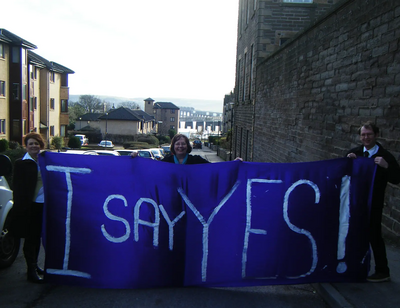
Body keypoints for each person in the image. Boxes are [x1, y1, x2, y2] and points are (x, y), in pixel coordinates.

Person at [346, 122, 400, 282]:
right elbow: (343, 175)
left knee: (374, 235)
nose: (366, 137)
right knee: (353, 233)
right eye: (363, 135)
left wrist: (386, 166)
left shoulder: (385, 156)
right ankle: (354, 266)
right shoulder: (355, 153)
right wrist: (348, 161)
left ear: (376, 135)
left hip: (374, 203)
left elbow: (396, 178)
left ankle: (383, 271)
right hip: (355, 202)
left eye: (369, 134)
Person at [11, 132, 46, 283]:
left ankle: (35, 265)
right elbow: (17, 187)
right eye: (31, 143)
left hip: (43, 205)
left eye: (36, 143)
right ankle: (30, 271)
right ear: (26, 146)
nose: (34, 146)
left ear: (41, 145)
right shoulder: (21, 163)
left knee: (37, 238)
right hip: (29, 206)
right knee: (30, 239)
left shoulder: (45, 161)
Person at [131, 134, 242, 164]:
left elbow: (215, 169)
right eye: (177, 144)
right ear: (173, 146)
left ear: (188, 146)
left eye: (183, 144)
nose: (180, 146)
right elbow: (151, 167)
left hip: (192, 197)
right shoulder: (167, 161)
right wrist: (137, 158)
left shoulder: (196, 160)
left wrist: (233, 164)